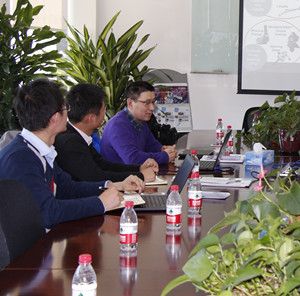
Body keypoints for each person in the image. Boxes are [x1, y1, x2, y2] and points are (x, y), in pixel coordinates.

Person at [0, 79, 142, 228]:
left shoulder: (40, 150)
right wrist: (100, 203)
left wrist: (113, 185)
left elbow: (68, 189)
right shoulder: (21, 158)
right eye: (65, 107)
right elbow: (47, 213)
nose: (68, 112)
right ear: (55, 118)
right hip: (32, 241)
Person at [54, 83, 159, 183]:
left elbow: (103, 165)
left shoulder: (79, 136)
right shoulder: (70, 143)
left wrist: (139, 168)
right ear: (91, 118)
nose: (105, 114)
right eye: (103, 110)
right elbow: (96, 177)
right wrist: (140, 176)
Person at [101, 81, 177, 165]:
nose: (152, 108)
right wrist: (164, 156)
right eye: (147, 103)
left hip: (137, 172)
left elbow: (152, 146)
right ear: (130, 103)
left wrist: (164, 149)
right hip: (121, 173)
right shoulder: (117, 125)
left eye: (153, 102)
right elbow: (132, 159)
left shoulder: (140, 121)